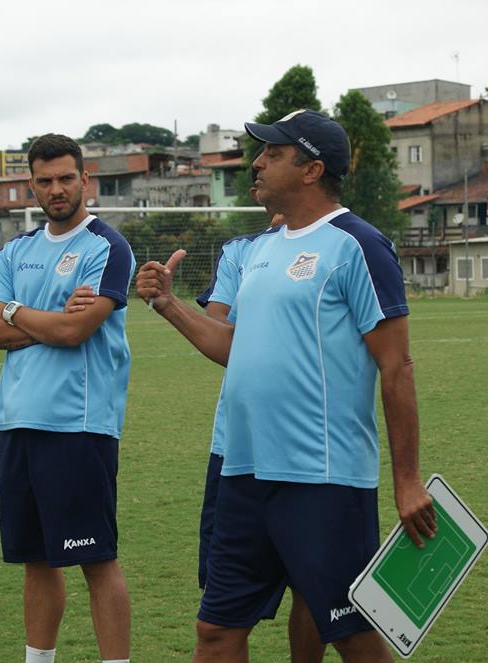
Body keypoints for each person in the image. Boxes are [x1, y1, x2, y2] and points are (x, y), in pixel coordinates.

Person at [136, 109, 437, 663]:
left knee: (351, 633)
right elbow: (235, 347)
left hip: (321, 477)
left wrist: (408, 479)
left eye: (272, 154)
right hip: (243, 474)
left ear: (311, 169)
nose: (258, 162)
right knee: (216, 630)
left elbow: (396, 368)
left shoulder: (358, 245)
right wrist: (168, 305)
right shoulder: (261, 249)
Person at [0, 134, 136, 663]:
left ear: (85, 180)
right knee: (35, 561)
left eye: (66, 177)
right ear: (31, 185)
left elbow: (76, 333)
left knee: (97, 560)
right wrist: (40, 317)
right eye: (44, 180)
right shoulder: (14, 250)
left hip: (78, 424)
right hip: (18, 420)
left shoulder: (106, 247)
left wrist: (13, 311)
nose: (56, 189)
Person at [193, 165, 326, 663]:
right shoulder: (239, 252)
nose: (260, 167)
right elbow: (220, 335)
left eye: (274, 154)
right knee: (223, 610)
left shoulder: (341, 244)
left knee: (315, 592)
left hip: (311, 453)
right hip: (235, 451)